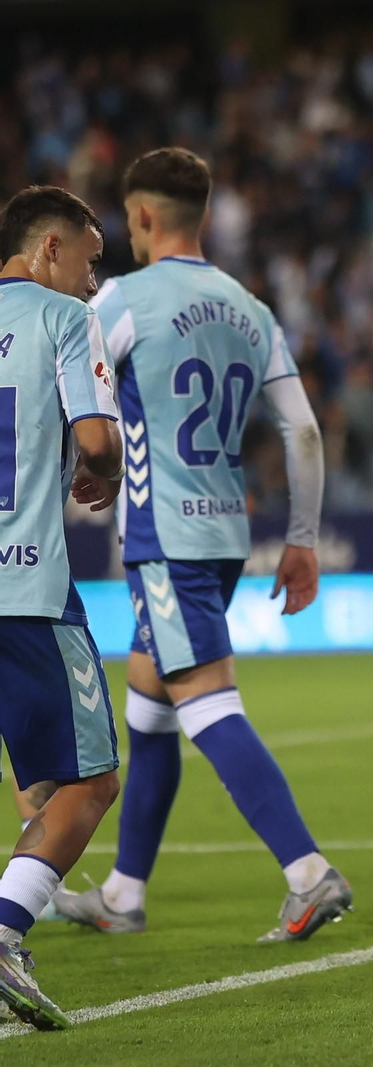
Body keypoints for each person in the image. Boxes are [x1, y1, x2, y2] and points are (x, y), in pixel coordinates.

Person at [52, 148, 350, 943]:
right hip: (223, 535)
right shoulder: (250, 308)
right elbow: (303, 431)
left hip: (164, 538)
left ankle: (308, 871)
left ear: (142, 216)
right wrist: (302, 538)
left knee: (209, 702)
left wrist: (75, 473)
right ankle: (123, 893)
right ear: (205, 215)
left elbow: (76, 396)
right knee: (148, 704)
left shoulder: (121, 299)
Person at [0, 185, 124, 1028]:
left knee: (41, 785)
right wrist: (102, 470)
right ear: (48, 248)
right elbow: (97, 438)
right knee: (89, 782)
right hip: (27, 588)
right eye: (88, 258)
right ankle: (5, 931)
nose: (92, 280)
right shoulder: (63, 318)